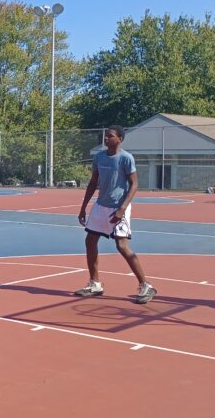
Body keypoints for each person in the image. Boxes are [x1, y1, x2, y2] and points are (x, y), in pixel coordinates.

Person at [76, 125, 157, 304]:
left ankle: (146, 285)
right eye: (105, 136)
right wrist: (83, 208)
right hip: (101, 205)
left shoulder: (126, 158)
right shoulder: (99, 157)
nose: (106, 139)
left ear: (119, 139)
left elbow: (134, 184)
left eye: (110, 136)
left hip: (119, 206)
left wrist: (122, 208)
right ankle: (95, 284)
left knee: (121, 245)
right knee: (90, 241)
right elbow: (92, 183)